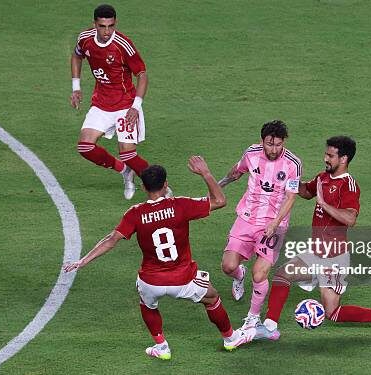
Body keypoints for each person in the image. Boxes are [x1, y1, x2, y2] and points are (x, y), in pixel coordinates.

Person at [64, 157, 255, 360]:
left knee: (147, 304)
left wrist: (82, 261)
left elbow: (111, 240)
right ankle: (230, 338)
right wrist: (206, 173)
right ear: (165, 185)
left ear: (144, 188)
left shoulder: (134, 213)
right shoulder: (180, 205)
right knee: (212, 297)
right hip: (183, 279)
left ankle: (161, 347)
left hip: (151, 281)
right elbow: (220, 201)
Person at [255, 136, 371, 341]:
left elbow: (350, 218)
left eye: (330, 155)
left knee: (333, 313)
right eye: (326, 153)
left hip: (334, 259)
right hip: (316, 252)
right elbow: (306, 191)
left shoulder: (349, 185)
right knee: (282, 275)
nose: (326, 158)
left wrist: (324, 205)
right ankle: (270, 327)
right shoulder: (323, 177)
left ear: (344, 159)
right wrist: (287, 179)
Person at [71, 4, 167, 200]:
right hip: (101, 103)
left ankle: (162, 189)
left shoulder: (123, 45)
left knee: (128, 154)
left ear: (115, 24)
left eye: (111, 26)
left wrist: (135, 106)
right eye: (102, 26)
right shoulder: (85, 39)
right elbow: (76, 55)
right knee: (85, 147)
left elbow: (142, 74)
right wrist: (76, 87)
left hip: (125, 105)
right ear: (94, 24)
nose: (107, 32)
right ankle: (125, 171)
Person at [218, 120, 302, 330]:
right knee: (228, 266)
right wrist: (219, 185)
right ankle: (239, 275)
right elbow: (236, 171)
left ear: (284, 142)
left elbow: (291, 198)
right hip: (246, 218)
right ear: (262, 140)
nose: (273, 149)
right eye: (269, 144)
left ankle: (253, 317)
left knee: (260, 273)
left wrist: (275, 222)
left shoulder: (293, 164)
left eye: (278, 145)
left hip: (274, 223)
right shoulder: (251, 153)